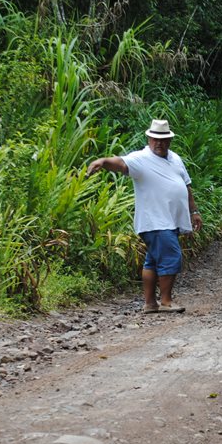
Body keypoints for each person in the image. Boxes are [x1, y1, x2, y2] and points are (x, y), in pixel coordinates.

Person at [87, 119, 202, 314]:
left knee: (153, 261)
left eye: (164, 139)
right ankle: (166, 301)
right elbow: (121, 163)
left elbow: (187, 186)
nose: (159, 143)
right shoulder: (141, 158)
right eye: (155, 139)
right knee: (171, 257)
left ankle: (150, 303)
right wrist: (103, 162)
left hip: (169, 220)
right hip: (155, 221)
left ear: (170, 140)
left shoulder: (175, 158)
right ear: (149, 138)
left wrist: (194, 211)